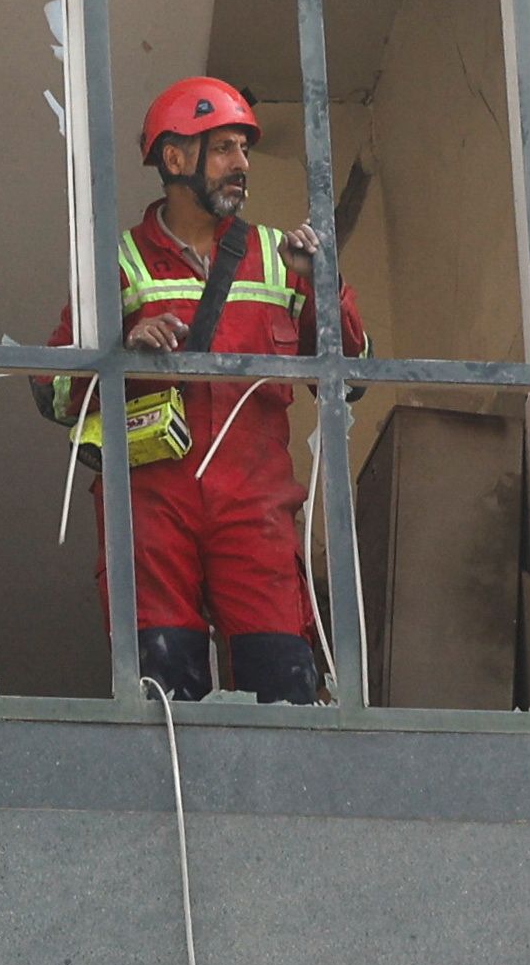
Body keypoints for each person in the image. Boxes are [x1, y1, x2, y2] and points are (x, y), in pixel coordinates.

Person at [38, 77, 368, 703]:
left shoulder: (278, 257)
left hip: (256, 506)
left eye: (242, 149)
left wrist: (325, 285)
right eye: (222, 148)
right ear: (175, 159)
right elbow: (53, 390)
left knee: (283, 684)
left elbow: (352, 373)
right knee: (164, 685)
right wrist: (125, 351)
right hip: (153, 503)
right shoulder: (120, 263)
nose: (241, 165)